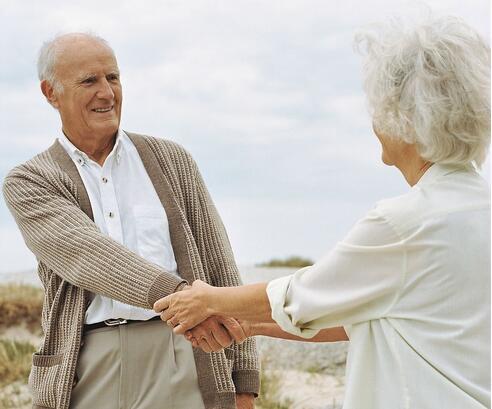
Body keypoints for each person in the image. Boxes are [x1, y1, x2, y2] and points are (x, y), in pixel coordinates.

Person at [155, 15, 491, 409]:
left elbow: (303, 294)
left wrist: (208, 299)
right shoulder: (478, 210)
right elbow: (360, 319)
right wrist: (252, 326)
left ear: (405, 118)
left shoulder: (403, 225)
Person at [2, 33, 259, 409]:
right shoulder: (29, 180)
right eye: (89, 81)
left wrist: (244, 380)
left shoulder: (173, 160)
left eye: (113, 77)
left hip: (181, 352)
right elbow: (88, 255)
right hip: (88, 363)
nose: (107, 93)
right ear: (50, 92)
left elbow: (221, 266)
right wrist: (184, 300)